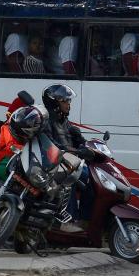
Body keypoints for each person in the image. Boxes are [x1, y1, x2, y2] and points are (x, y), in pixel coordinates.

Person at [41, 84, 89, 231]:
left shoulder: (64, 121)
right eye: (65, 101)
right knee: (71, 179)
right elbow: (51, 144)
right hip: (52, 165)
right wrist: (75, 150)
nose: (68, 104)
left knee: (91, 178)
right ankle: (66, 220)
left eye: (69, 101)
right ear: (54, 102)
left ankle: (86, 219)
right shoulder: (47, 121)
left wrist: (83, 142)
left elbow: (76, 141)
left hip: (67, 162)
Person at [0, 105, 44, 180]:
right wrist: (30, 151)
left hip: (16, 162)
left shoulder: (21, 134)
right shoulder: (7, 128)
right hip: (2, 163)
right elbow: (11, 146)